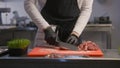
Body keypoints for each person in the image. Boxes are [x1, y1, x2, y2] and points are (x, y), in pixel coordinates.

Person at [24, 0, 94, 46]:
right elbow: (28, 3)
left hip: (72, 34)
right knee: (43, 63)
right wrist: (46, 28)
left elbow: (86, 9)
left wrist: (76, 33)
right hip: (47, 33)